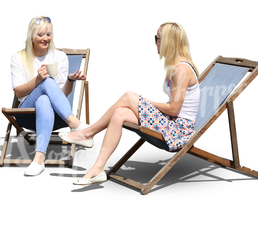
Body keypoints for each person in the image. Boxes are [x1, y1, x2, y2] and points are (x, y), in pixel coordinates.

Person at [59, 22, 200, 185]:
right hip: (171, 123)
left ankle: (88, 133)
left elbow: (174, 109)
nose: (155, 42)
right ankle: (98, 168)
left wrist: (144, 101)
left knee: (129, 96)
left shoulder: (182, 70)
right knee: (119, 113)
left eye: (157, 38)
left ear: (167, 41)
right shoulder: (177, 67)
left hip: (178, 130)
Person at [11, 16, 87, 176]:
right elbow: (18, 92)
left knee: (44, 99)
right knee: (46, 82)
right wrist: (38, 79)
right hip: (26, 114)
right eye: (40, 35)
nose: (45, 38)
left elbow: (63, 94)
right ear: (31, 36)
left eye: (48, 34)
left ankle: (39, 159)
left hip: (56, 116)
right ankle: (74, 123)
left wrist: (70, 80)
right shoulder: (19, 58)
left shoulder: (60, 57)